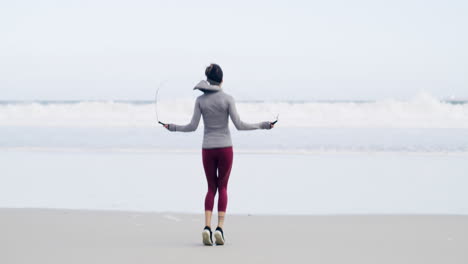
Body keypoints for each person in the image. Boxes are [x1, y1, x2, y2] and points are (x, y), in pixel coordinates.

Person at [163, 63, 274, 246]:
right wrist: (263, 125)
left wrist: (172, 127)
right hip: (225, 148)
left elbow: (191, 127)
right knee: (223, 188)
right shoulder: (228, 99)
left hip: (207, 149)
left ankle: (206, 227)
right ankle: (219, 229)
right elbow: (240, 125)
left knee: (210, 188)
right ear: (222, 80)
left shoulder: (200, 101)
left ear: (207, 80)